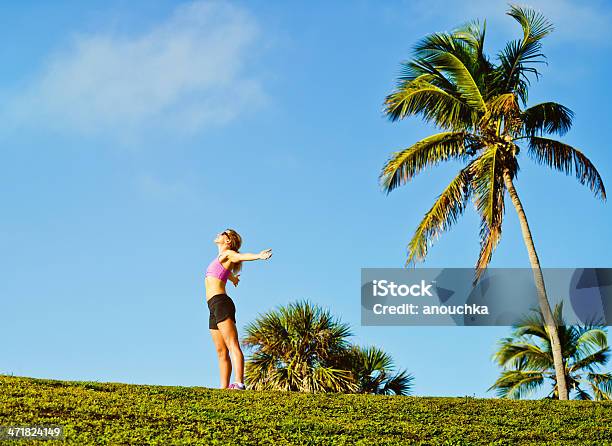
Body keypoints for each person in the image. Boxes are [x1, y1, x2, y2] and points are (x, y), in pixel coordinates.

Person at [205, 229, 272, 390]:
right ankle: (224, 389)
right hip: (212, 305)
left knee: (232, 344)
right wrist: (232, 277)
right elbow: (221, 272)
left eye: (223, 233)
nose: (219, 234)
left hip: (221, 303)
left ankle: (239, 383)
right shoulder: (220, 258)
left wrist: (258, 256)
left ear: (228, 241)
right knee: (221, 351)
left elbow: (241, 256)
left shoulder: (228, 254)